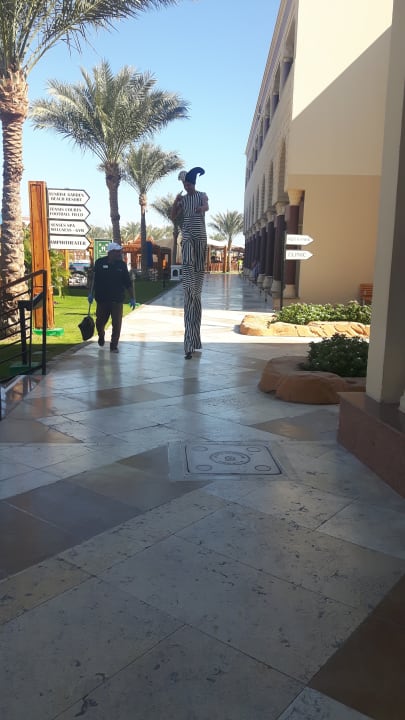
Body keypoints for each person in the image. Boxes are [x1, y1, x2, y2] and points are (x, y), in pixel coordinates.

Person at [171, 166, 209, 359]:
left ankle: (194, 340)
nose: (187, 187)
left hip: (200, 237)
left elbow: (206, 206)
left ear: (194, 184)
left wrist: (202, 208)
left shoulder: (202, 195)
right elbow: (173, 216)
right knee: (190, 293)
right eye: (185, 184)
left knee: (196, 296)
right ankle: (189, 343)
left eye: (189, 184)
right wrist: (176, 202)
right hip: (187, 234)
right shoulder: (183, 199)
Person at [88, 242, 135, 353]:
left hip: (117, 300)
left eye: (119, 251)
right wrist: (90, 293)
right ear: (110, 252)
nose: (119, 253)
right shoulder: (99, 263)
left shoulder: (121, 265)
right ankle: (101, 335)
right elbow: (93, 279)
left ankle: (114, 346)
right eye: (117, 251)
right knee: (99, 323)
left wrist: (132, 298)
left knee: (117, 324)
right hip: (102, 299)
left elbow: (128, 283)